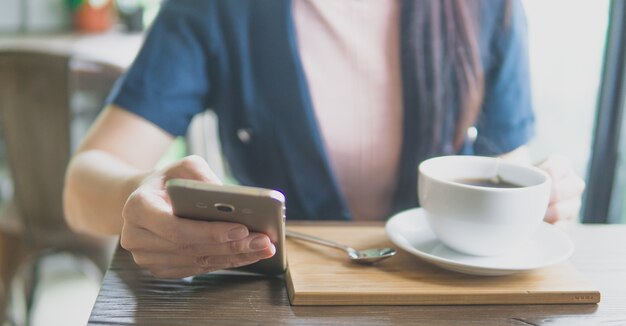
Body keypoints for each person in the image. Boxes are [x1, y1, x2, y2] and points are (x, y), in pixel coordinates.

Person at [63, 0, 585, 279]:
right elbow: (83, 185)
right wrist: (143, 196)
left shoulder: (487, 8)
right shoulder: (213, 9)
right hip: (278, 299)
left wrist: (544, 197)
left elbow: (506, 164)